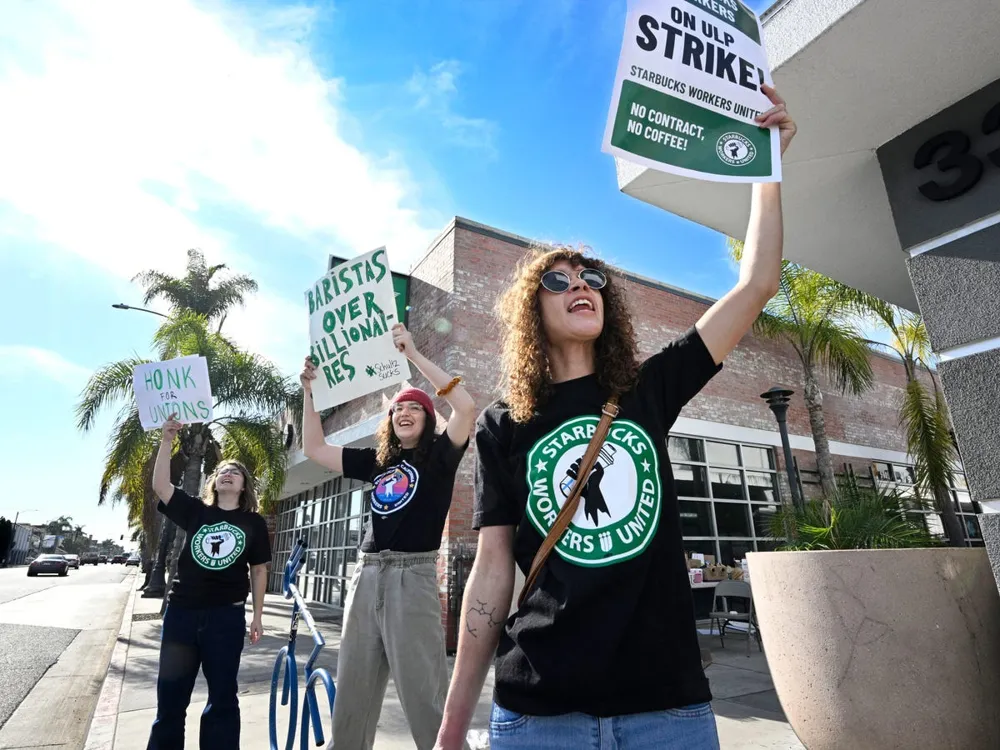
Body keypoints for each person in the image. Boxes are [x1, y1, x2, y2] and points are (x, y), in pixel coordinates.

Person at [434, 86, 797, 750]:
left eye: (591, 278)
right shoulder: (503, 424)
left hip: (668, 710)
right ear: (530, 314)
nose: (579, 286)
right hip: (539, 712)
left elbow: (756, 285)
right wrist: (454, 725)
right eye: (558, 280)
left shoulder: (650, 391)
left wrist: (765, 170)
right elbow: (492, 572)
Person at [300, 322, 477, 750]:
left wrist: (412, 354)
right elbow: (315, 449)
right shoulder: (378, 462)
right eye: (397, 409)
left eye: (414, 408)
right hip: (367, 576)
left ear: (428, 418)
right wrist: (309, 393)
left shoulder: (439, 455)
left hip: (411, 578)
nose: (404, 413)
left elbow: (467, 407)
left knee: (424, 697)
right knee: (354, 695)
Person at [147, 415, 271, 750]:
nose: (228, 474)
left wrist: (257, 616)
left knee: (223, 700)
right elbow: (161, 486)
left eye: (236, 472)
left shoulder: (253, 522)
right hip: (182, 615)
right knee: (171, 699)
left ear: (244, 486)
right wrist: (167, 440)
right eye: (222, 472)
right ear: (213, 482)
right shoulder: (196, 512)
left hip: (225, 618)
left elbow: (259, 570)